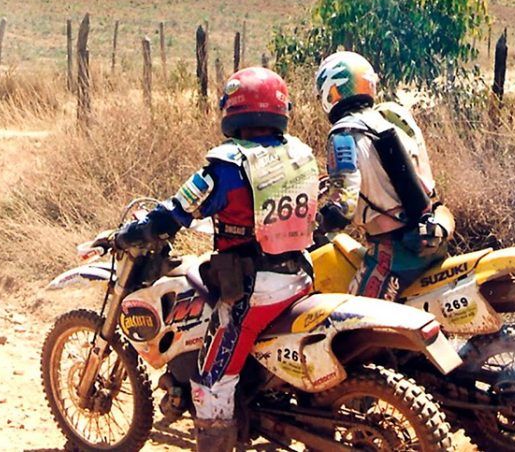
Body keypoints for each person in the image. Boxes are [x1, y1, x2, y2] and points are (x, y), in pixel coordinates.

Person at [114, 67, 319, 451]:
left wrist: (136, 231)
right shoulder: (300, 154)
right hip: (300, 276)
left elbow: (177, 209)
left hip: (254, 289)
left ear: (233, 109)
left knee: (212, 381)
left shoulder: (226, 165)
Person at [314, 51, 452, 300]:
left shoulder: (343, 134)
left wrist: (313, 223)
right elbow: (430, 190)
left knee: (351, 326)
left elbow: (342, 208)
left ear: (330, 91)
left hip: (394, 256)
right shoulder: (393, 121)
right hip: (431, 241)